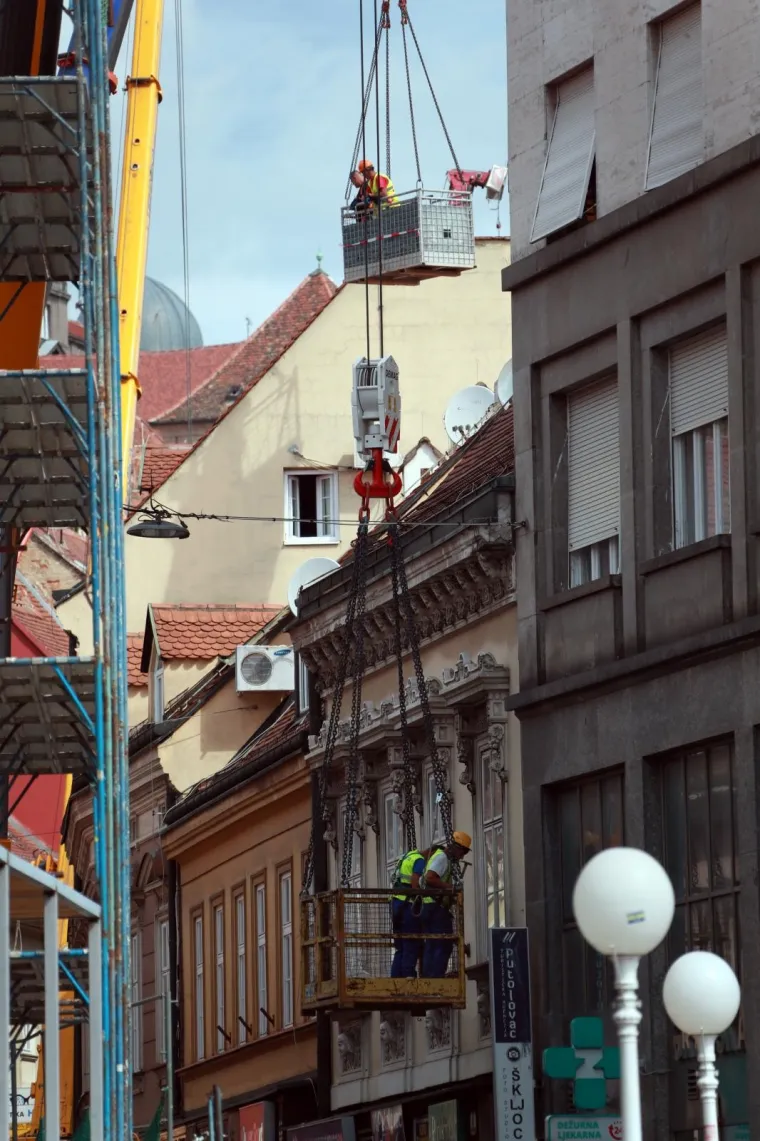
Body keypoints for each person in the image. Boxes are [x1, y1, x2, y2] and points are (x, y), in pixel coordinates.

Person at [420, 830, 471, 979]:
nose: (462, 856)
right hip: (435, 908)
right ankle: (436, 977)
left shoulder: (443, 859)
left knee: (432, 944)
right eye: (463, 852)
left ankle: (430, 977)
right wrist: (451, 889)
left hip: (431, 907)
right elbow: (430, 878)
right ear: (457, 847)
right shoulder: (442, 858)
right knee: (443, 943)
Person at [390, 845, 429, 978]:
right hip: (407, 904)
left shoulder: (407, 856)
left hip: (396, 902)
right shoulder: (420, 860)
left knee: (400, 946)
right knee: (411, 941)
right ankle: (408, 975)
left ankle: (395, 977)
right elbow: (414, 880)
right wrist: (421, 894)